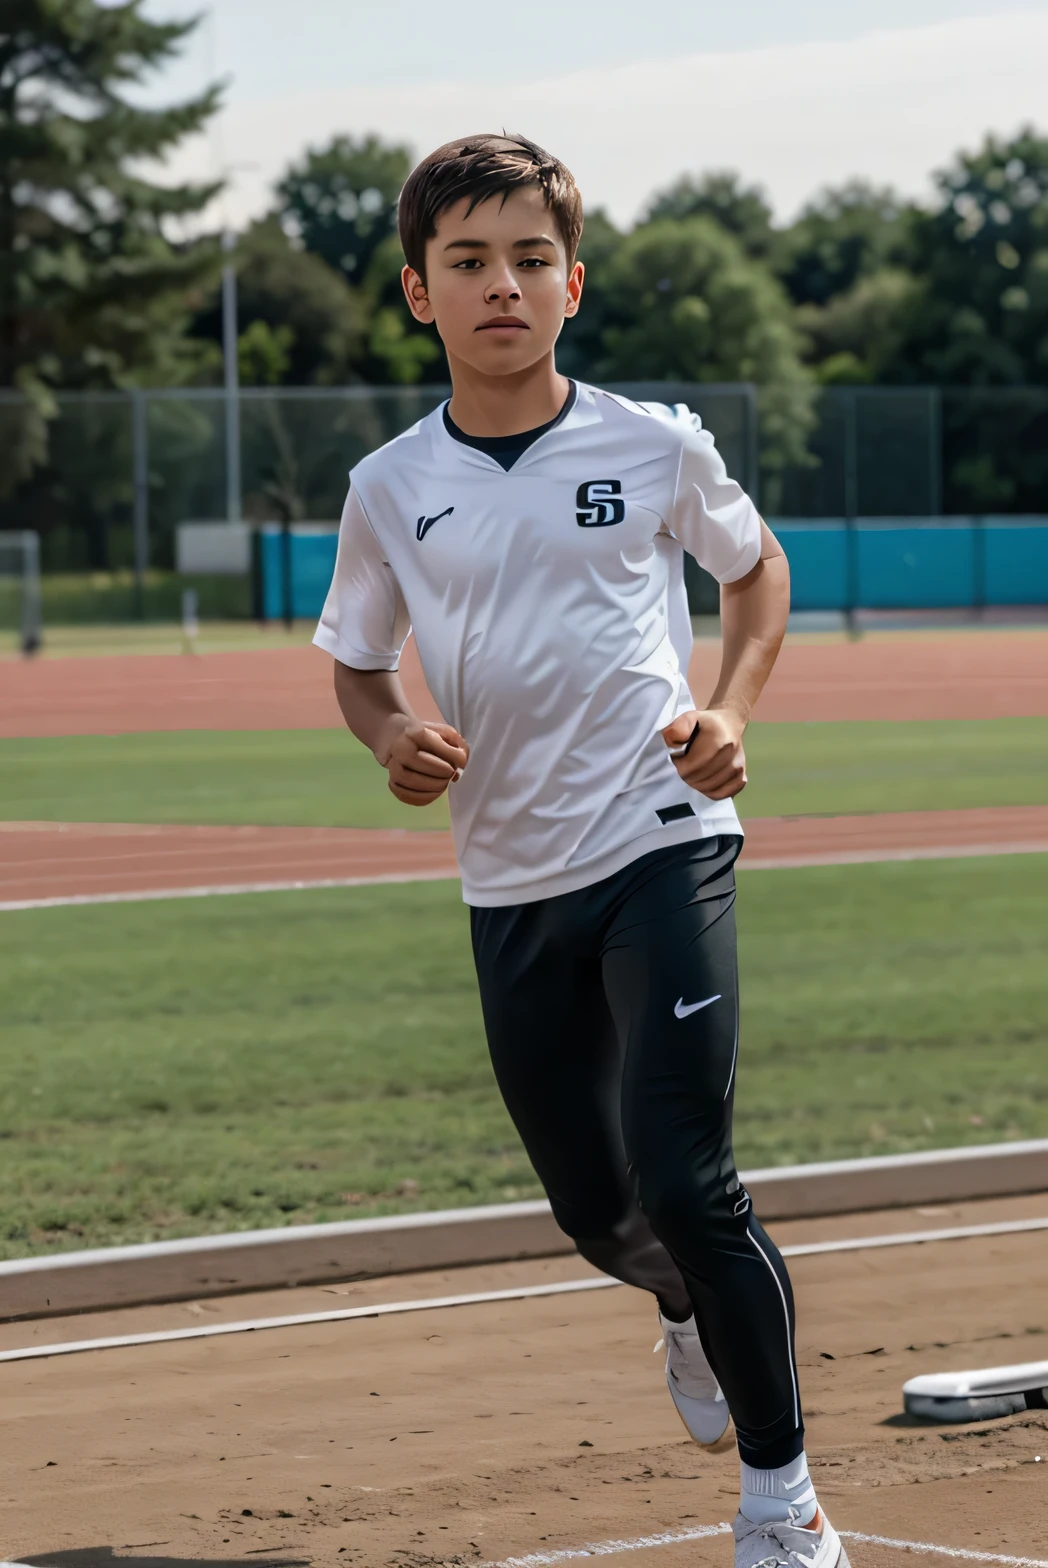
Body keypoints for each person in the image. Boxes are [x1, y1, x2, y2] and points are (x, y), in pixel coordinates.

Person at [314, 133, 848, 1568]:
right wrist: (387, 739)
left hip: (663, 839)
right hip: (509, 877)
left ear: (574, 283)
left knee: (688, 1178)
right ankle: (681, 1308)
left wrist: (729, 708)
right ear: (420, 293)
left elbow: (757, 568)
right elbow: (360, 664)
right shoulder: (387, 487)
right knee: (598, 1211)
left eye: (531, 260)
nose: (504, 285)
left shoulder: (653, 442)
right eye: (469, 262)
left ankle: (783, 1504)